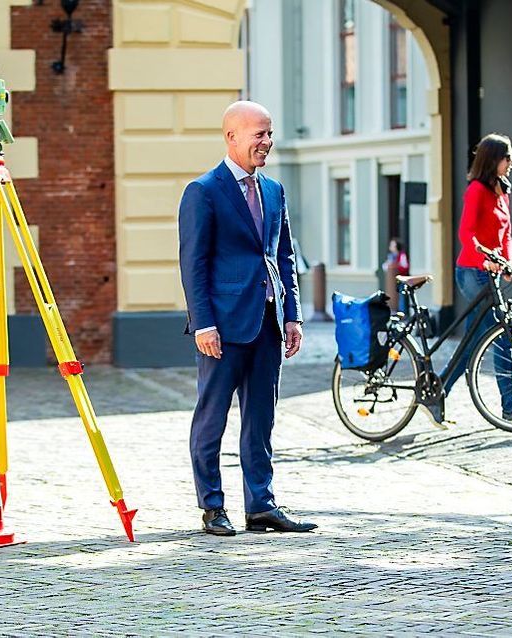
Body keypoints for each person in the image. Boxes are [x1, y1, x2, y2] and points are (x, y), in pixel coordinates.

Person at [178, 100, 316, 536]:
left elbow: (284, 256)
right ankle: (213, 507)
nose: (267, 142)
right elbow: (193, 263)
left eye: (269, 133)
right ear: (231, 136)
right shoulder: (203, 191)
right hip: (221, 328)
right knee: (212, 418)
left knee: (261, 419)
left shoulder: (274, 191)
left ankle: (261, 505)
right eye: (259, 134)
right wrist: (203, 323)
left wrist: (292, 314)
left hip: (268, 323)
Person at [445, 133, 512, 421]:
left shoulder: (502, 190)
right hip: (471, 271)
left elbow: (507, 233)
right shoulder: (476, 190)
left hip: (490, 272)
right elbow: (465, 233)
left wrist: (508, 262)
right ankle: (510, 406)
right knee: (502, 336)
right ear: (493, 159)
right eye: (508, 157)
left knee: (471, 344)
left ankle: (438, 392)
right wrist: (484, 259)